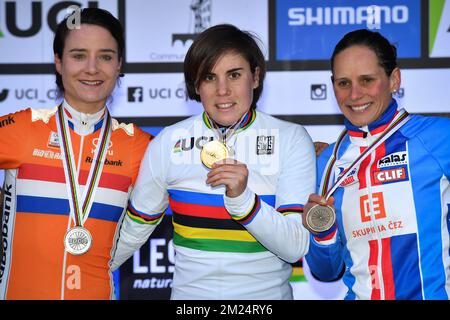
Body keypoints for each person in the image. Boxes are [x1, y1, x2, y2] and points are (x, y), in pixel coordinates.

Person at [111, 24, 316, 299]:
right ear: (196, 85)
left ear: (255, 77)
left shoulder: (290, 138)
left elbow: (295, 246)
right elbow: (132, 233)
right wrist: (77, 274)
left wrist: (243, 200)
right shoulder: (168, 142)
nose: (223, 90)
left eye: (234, 75)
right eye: (209, 77)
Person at [0, 8, 151, 299]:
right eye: (79, 55)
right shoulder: (23, 128)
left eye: (105, 56)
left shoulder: (138, 145)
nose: (92, 68)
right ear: (58, 62)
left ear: (119, 64)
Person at [303, 29, 450, 300]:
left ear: (394, 79)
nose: (354, 95)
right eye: (343, 83)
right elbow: (326, 272)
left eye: (367, 80)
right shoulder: (326, 164)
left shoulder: (438, 137)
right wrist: (322, 233)